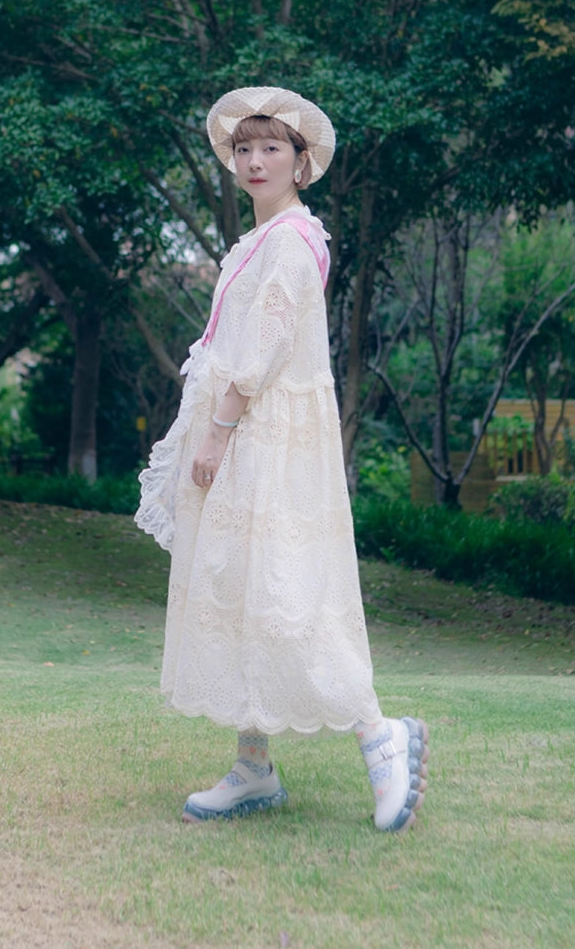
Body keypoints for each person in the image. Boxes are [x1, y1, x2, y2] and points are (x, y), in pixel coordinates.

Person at [135, 86, 429, 832]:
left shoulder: (293, 241)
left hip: (268, 440)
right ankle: (253, 767)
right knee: (243, 595)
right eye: (244, 148)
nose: (255, 160)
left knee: (291, 594)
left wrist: (217, 433)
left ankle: (380, 736)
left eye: (272, 147)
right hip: (250, 438)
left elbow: (261, 352)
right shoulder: (260, 241)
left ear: (302, 162)